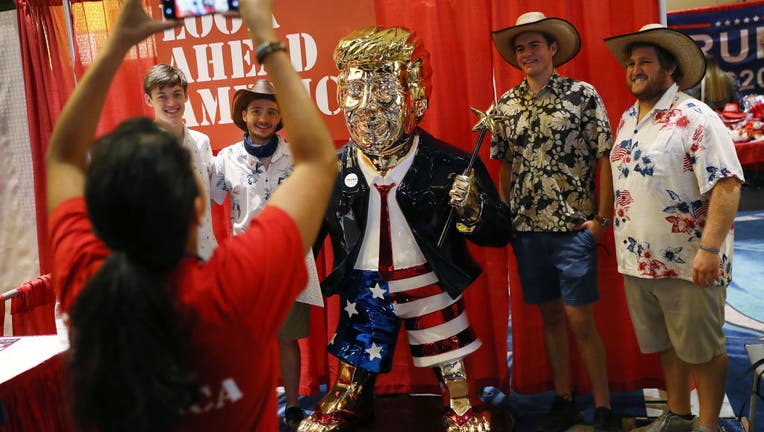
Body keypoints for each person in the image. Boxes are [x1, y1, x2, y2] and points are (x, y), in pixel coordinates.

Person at [45, 0, 338, 430]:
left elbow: (60, 159)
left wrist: (117, 45)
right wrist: (264, 35)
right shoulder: (240, 283)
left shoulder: (89, 288)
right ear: (199, 202)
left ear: (103, 215)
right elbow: (320, 163)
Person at [297, 26, 513, 432]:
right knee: (356, 344)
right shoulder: (329, 169)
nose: (367, 106)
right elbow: (309, 234)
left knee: (447, 348)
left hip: (427, 281)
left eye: (383, 90)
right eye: (355, 90)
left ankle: (460, 399)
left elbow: (499, 231)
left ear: (416, 94)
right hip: (364, 285)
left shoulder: (450, 165)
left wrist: (472, 208)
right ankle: (348, 393)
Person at [604, 24, 744, 432]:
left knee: (703, 350)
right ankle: (679, 416)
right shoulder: (628, 119)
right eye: (631, 63)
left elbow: (727, 184)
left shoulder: (697, 117)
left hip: (690, 263)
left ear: (671, 70)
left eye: (644, 61)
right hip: (638, 261)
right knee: (666, 346)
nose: (634, 69)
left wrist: (710, 250)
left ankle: (707, 425)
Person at [489, 11, 618, 432]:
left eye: (535, 45)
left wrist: (602, 219)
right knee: (549, 318)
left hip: (574, 230)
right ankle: (563, 398)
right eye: (521, 47)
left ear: (553, 49)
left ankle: (602, 406)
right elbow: (505, 164)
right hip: (526, 232)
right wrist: (507, 210)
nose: (528, 53)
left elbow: (605, 157)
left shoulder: (583, 95)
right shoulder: (506, 105)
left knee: (581, 319)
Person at [209, 79, 319, 429]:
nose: (264, 117)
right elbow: (206, 196)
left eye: (271, 111)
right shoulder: (225, 159)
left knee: (286, 338)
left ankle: (294, 405)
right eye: (256, 110)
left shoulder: (296, 154)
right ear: (244, 115)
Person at [143, 63, 217, 260]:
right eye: (162, 96)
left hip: (206, 254)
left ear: (186, 95)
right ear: (149, 100)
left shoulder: (202, 142)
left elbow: (211, 195)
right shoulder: (139, 149)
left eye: (177, 94)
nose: (171, 102)